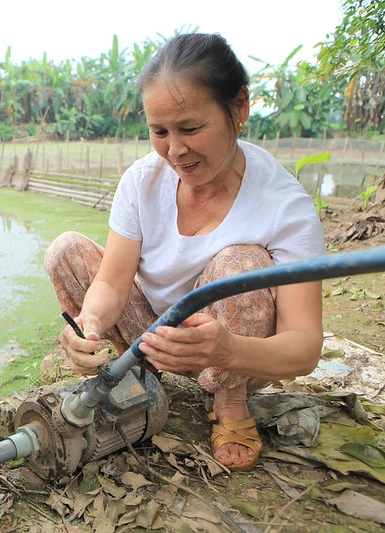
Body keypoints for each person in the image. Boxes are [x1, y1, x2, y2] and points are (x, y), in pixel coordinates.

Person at [44, 33, 324, 473]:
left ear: (239, 109)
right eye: (160, 132)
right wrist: (90, 321)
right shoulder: (142, 182)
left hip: (234, 350)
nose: (175, 150)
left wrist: (227, 350)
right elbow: (113, 281)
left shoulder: (285, 206)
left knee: (241, 264)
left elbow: (305, 348)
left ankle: (229, 401)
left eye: (191, 129)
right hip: (156, 334)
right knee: (67, 251)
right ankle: (136, 373)